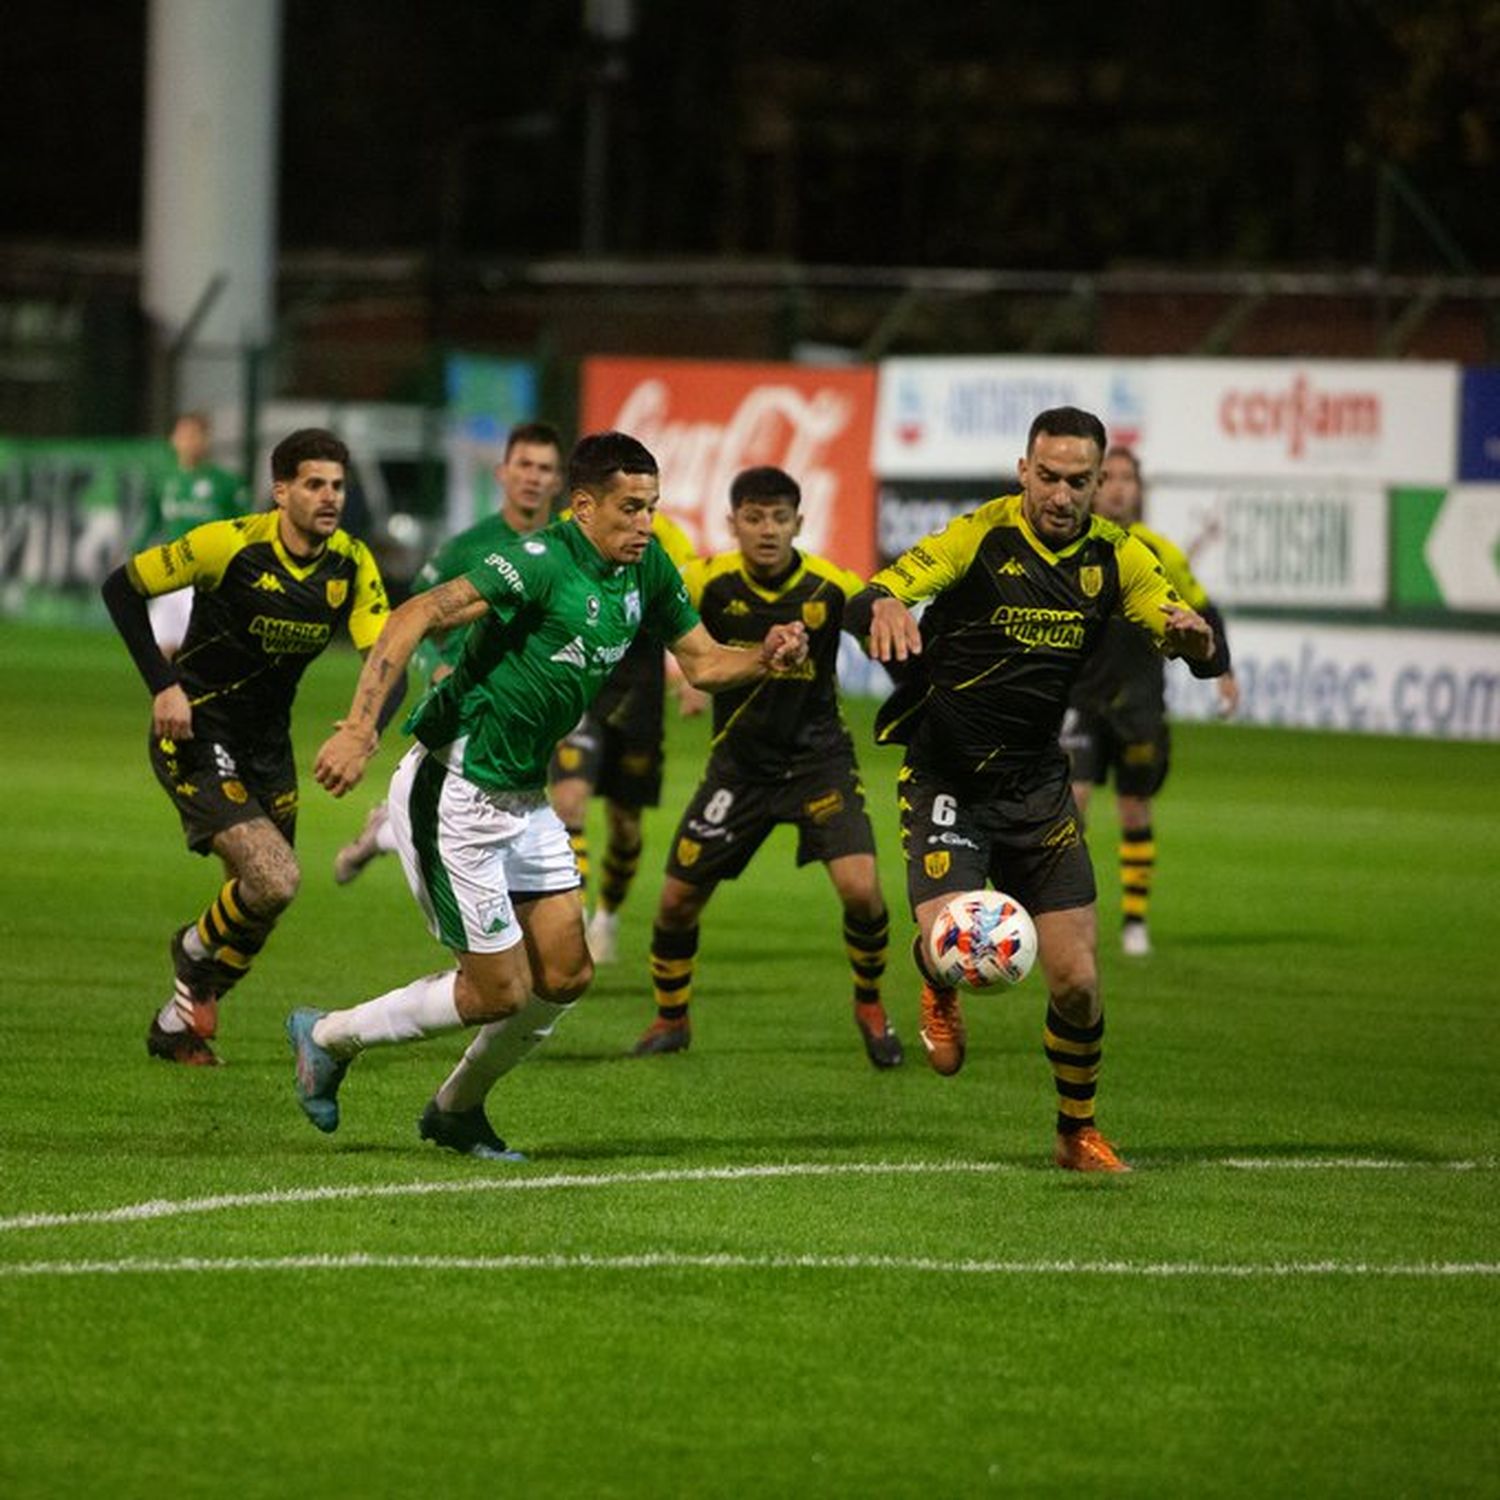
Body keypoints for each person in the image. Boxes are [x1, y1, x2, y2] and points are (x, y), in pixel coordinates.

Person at [285, 431, 808, 1159]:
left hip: (524, 800)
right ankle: (327, 1036)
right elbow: (414, 616)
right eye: (630, 509)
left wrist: (765, 658)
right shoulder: (538, 563)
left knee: (565, 975)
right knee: (496, 992)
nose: (645, 525)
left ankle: (456, 1110)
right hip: (456, 789)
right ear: (584, 506)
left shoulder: (648, 568)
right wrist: (359, 729)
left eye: (653, 508)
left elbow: (704, 663)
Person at [843, 406, 1226, 1173]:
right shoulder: (976, 536)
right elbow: (873, 595)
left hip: (1036, 785)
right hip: (948, 776)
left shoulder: (1120, 557)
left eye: (1078, 481)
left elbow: (1190, 639)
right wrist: (882, 604)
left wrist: (1196, 643)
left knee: (1079, 980)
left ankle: (1074, 1132)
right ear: (1023, 471)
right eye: (1047, 477)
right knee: (953, 944)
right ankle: (935, 980)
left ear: (1098, 480)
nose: (1061, 494)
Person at [101, 428, 393, 1065]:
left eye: (338, 486)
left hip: (268, 746)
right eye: (315, 484)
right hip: (197, 733)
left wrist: (360, 734)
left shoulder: (350, 563)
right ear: (281, 490)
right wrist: (164, 686)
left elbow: (387, 660)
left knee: (257, 907)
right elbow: (120, 589)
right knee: (275, 880)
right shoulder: (226, 544)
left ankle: (174, 1024)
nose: (330, 497)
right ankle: (191, 955)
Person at [631, 465, 902, 1069]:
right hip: (739, 771)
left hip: (819, 763)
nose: (768, 530)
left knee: (862, 892)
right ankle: (670, 1017)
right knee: (676, 901)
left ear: (799, 523)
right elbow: (652, 625)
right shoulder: (705, 582)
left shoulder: (830, 586)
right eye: (754, 518)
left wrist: (889, 615)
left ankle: (871, 1004)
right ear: (734, 524)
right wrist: (687, 676)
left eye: (780, 518)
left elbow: (875, 622)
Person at [332, 421, 566, 884]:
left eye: (545, 468)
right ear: (502, 472)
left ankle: (385, 831)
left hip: (532, 700)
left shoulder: (568, 548)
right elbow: (409, 620)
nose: (534, 477)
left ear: (559, 482)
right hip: (468, 697)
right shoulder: (466, 549)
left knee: (493, 812)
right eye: (525, 465)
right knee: (478, 814)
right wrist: (433, 666)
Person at [1061, 447, 1239, 957]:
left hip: (1141, 703)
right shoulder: (1072, 547)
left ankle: (1134, 922)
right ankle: (1071, 911)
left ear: (1140, 489)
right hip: (1079, 701)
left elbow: (1204, 611)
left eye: (1127, 479)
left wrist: (1223, 669)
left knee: (1134, 809)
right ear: (1093, 486)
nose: (1118, 488)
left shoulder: (1160, 552)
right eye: (1108, 478)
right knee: (1070, 808)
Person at [547, 503, 703, 965]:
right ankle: (569, 924)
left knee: (625, 826)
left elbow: (682, 610)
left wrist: (691, 676)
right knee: (569, 801)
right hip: (582, 683)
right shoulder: (565, 529)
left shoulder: (669, 538)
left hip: (641, 691)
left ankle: (606, 918)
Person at [132, 412, 248, 657]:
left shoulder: (226, 483)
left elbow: (245, 528)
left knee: (201, 650)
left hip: (206, 578)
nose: (187, 441)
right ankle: (165, 695)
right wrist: (136, 550)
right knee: (159, 649)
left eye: (194, 435)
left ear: (206, 441)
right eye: (182, 435)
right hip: (172, 571)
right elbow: (152, 520)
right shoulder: (165, 480)